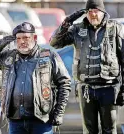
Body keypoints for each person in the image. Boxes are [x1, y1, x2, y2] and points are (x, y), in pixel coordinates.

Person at [0, 22, 71, 134]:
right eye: (18, 38)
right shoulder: (9, 57)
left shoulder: (49, 56)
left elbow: (64, 83)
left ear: (35, 37)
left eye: (26, 38)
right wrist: (2, 43)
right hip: (15, 120)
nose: (22, 41)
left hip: (41, 120)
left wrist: (59, 113)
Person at [50, 0, 124, 133]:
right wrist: (68, 21)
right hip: (86, 89)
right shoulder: (78, 29)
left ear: (102, 12)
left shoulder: (115, 28)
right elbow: (54, 43)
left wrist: (123, 89)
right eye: (89, 11)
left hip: (109, 87)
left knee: (110, 129)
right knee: (89, 130)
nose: (93, 14)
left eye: (95, 11)